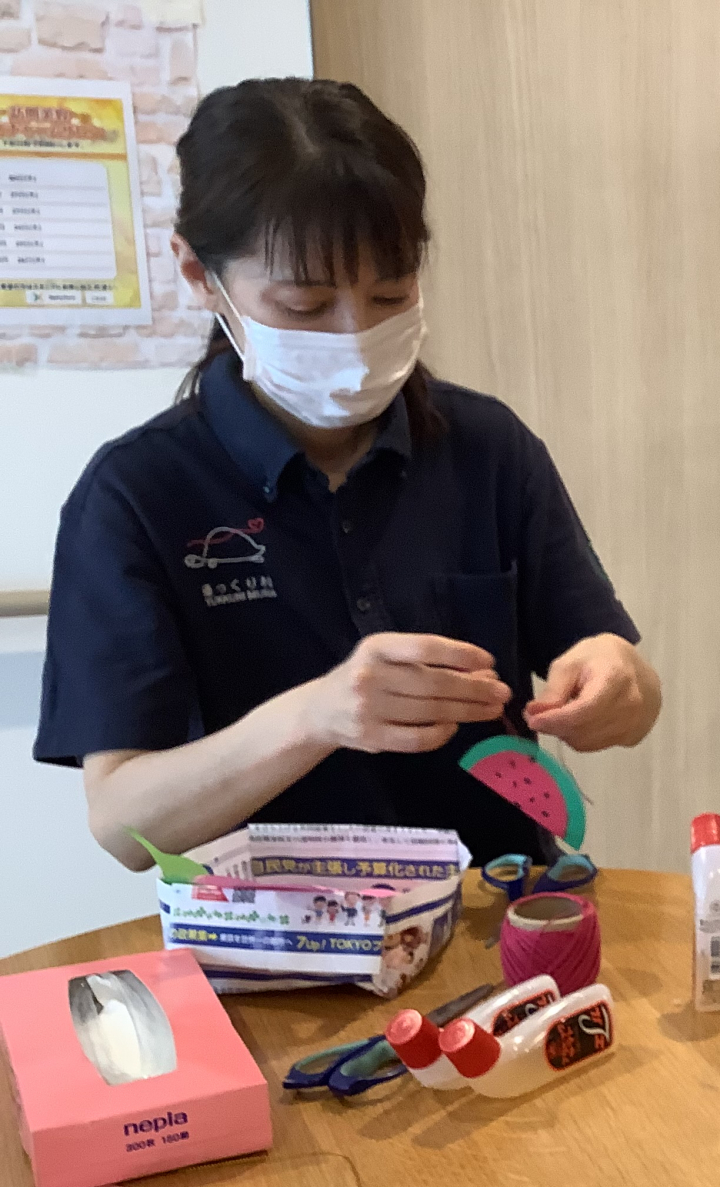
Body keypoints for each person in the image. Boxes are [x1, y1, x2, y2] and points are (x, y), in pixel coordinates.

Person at [35, 79, 662, 868]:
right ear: (199, 275)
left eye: (390, 295)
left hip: (497, 905)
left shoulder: (487, 448)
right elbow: (124, 825)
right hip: (269, 929)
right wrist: (317, 717)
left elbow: (625, 684)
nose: (355, 336)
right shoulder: (136, 495)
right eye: (304, 307)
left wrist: (620, 682)